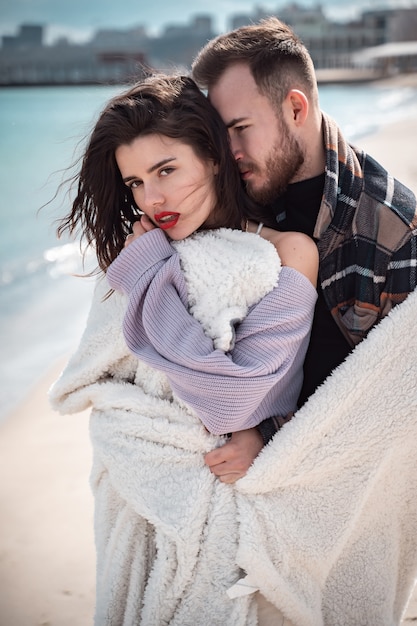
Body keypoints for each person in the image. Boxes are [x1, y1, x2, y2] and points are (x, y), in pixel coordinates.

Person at [49, 73, 318, 625]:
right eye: (135, 183)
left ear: (215, 157)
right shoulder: (136, 256)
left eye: (166, 170)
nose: (152, 198)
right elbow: (101, 384)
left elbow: (236, 403)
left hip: (234, 504)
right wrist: (147, 266)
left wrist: (151, 272)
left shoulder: (289, 253)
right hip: (136, 493)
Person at [191, 16, 417, 480]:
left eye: (240, 127)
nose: (227, 152)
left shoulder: (396, 229)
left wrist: (266, 435)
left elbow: (391, 411)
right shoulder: (226, 198)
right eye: (220, 135)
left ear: (296, 108)